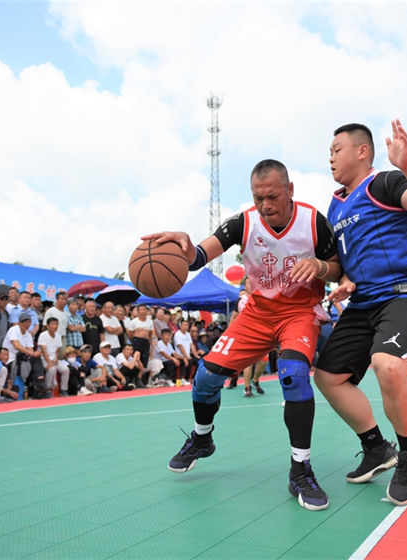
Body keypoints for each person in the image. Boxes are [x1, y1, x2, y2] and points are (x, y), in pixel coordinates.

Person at [145, 158, 340, 511]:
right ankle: (202, 439)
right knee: (204, 377)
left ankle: (301, 468)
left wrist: (321, 267)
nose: (265, 205)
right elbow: (199, 256)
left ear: (290, 190)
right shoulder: (243, 223)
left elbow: (339, 268)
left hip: (299, 312)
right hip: (257, 314)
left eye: (273, 196)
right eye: (258, 197)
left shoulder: (313, 222)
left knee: (294, 375)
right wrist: (184, 246)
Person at [315, 120, 407, 507]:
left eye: (336, 149)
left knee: (387, 365)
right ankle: (376, 448)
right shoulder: (335, 206)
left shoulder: (385, 183)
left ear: (362, 151)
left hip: (403, 292)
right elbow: (342, 263)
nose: (330, 157)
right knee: (328, 376)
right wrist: (344, 280)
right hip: (363, 301)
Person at [38, 317, 70, 396]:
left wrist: (55, 359)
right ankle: (47, 390)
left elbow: (57, 350)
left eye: (56, 324)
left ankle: (63, 389)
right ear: (48, 326)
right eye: (53, 324)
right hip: (44, 359)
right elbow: (43, 350)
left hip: (55, 359)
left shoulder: (58, 335)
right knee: (51, 369)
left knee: (66, 369)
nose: (55, 326)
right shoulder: (43, 335)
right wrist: (49, 361)